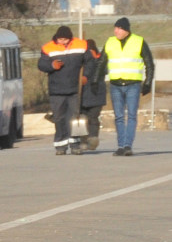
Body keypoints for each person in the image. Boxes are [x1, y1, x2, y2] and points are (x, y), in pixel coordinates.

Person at [99, 17, 155, 156]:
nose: (115, 31)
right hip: (115, 84)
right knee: (118, 116)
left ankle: (127, 145)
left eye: (118, 28)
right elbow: (100, 62)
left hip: (133, 85)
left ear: (126, 30)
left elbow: (149, 63)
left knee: (131, 115)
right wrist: (95, 81)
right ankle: (120, 146)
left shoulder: (139, 41)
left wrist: (147, 82)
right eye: (115, 28)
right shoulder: (110, 42)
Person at [37, 26, 87, 156]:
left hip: (75, 89)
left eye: (65, 39)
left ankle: (75, 145)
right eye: (60, 39)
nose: (62, 42)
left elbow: (90, 62)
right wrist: (52, 66)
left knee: (74, 118)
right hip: (56, 90)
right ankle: (60, 145)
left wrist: (86, 76)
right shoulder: (48, 48)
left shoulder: (81, 45)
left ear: (69, 38)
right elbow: (41, 64)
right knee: (59, 118)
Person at [79, 38, 106, 152]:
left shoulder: (83, 60)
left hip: (84, 94)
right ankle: (93, 139)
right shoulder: (100, 59)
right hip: (98, 94)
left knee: (82, 118)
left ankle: (83, 140)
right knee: (93, 118)